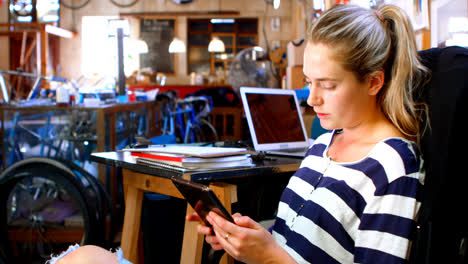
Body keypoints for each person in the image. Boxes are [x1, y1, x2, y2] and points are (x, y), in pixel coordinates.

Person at [187, 3, 428, 264]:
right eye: (308, 82)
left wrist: (269, 257)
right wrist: (245, 240)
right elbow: (294, 242)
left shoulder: (394, 167)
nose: (312, 99)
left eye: (327, 85)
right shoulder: (322, 145)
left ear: (373, 82)